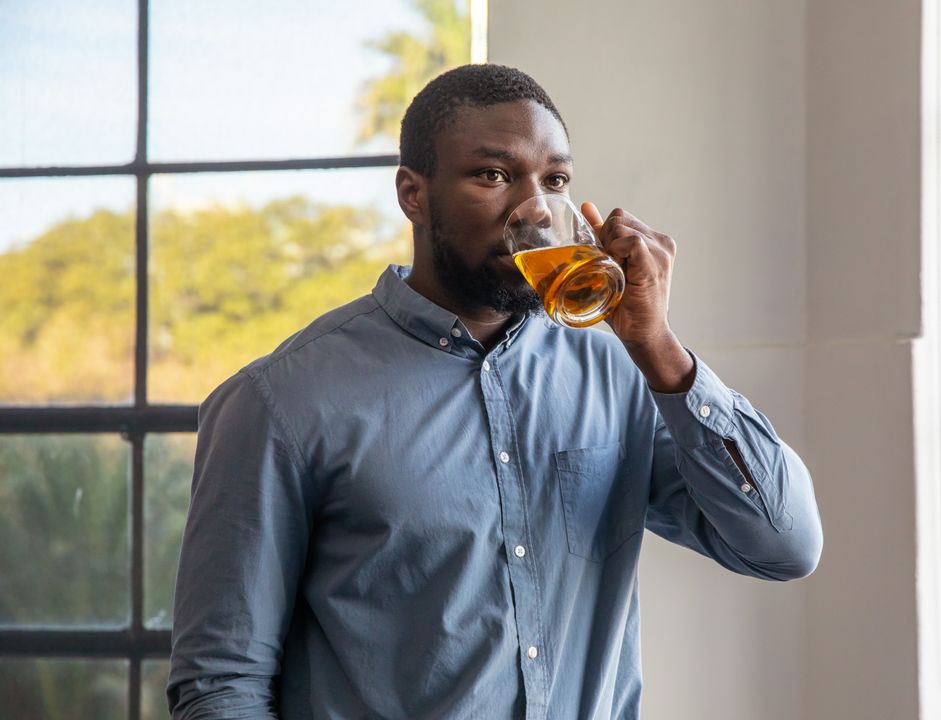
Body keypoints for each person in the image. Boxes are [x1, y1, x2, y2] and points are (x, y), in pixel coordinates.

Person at [167, 63, 822, 720]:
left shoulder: (625, 376)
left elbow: (782, 545)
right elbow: (222, 684)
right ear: (413, 194)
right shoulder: (282, 401)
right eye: (493, 176)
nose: (532, 210)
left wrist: (659, 348)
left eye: (555, 181)